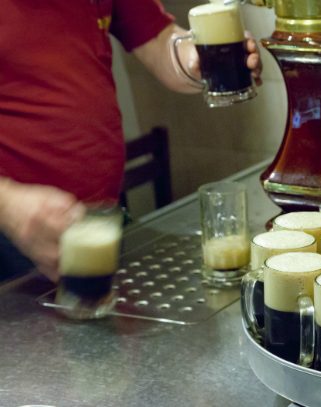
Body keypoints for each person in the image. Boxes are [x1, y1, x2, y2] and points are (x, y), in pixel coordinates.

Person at [0, 1, 262, 282]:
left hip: (97, 219)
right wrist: (9, 205)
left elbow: (159, 40)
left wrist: (197, 60)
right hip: (12, 236)